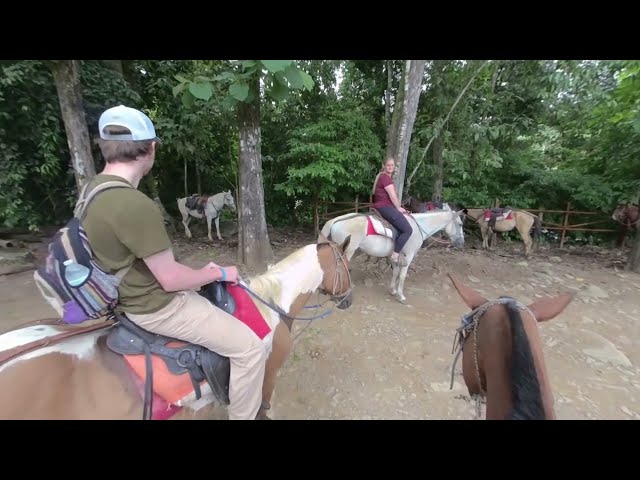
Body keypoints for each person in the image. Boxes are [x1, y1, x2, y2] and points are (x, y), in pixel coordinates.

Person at [82, 104, 267, 420]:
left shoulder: (91, 190)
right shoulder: (133, 204)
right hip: (154, 307)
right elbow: (169, 279)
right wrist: (215, 271)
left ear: (104, 147)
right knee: (250, 349)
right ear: (151, 148)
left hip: (121, 298)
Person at [372, 157, 413, 267]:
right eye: (388, 165)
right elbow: (393, 196)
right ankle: (395, 256)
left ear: (394, 167)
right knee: (408, 230)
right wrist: (398, 208)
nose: (390, 167)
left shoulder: (381, 177)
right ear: (384, 165)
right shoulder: (385, 178)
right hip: (385, 207)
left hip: (382, 206)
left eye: (392, 165)